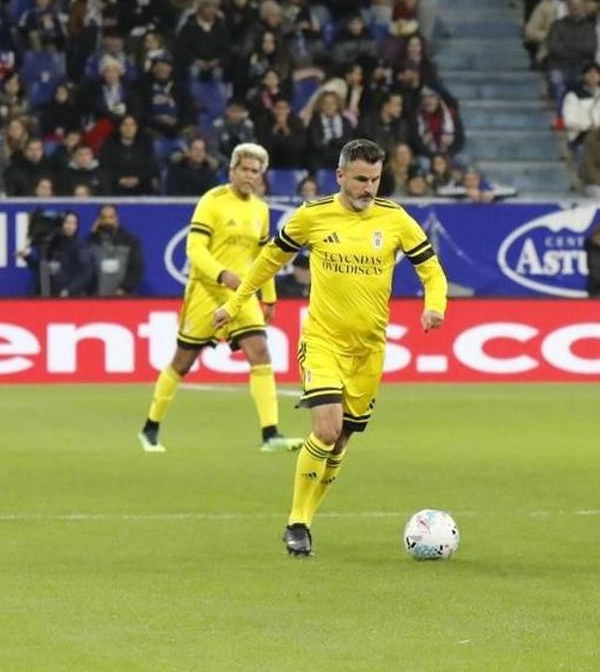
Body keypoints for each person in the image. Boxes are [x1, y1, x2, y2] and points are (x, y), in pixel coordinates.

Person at [213, 138, 447, 557]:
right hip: (322, 341)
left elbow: (431, 269)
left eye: (375, 179)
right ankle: (297, 522)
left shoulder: (395, 219)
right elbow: (268, 260)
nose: (368, 188)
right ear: (340, 176)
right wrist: (234, 304)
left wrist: (435, 306)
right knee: (325, 429)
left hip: (369, 351)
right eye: (360, 179)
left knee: (340, 442)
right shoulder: (313, 216)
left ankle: (308, 517)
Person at [139, 143, 302, 455]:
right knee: (183, 361)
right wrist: (222, 275)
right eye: (244, 169)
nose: (249, 176)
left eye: (255, 171)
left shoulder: (260, 210)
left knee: (261, 353)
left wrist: (269, 297)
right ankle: (150, 427)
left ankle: (271, 434)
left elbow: (262, 258)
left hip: (241, 297)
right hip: (206, 291)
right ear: (232, 170)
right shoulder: (212, 202)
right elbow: (195, 250)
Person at [87, 204, 144, 296]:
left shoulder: (130, 241)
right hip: (96, 298)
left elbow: (137, 269)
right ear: (99, 220)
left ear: (116, 218)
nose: (107, 221)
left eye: (111, 217)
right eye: (104, 217)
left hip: (123, 297)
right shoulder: (90, 242)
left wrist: (125, 288)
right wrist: (92, 234)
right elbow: (84, 269)